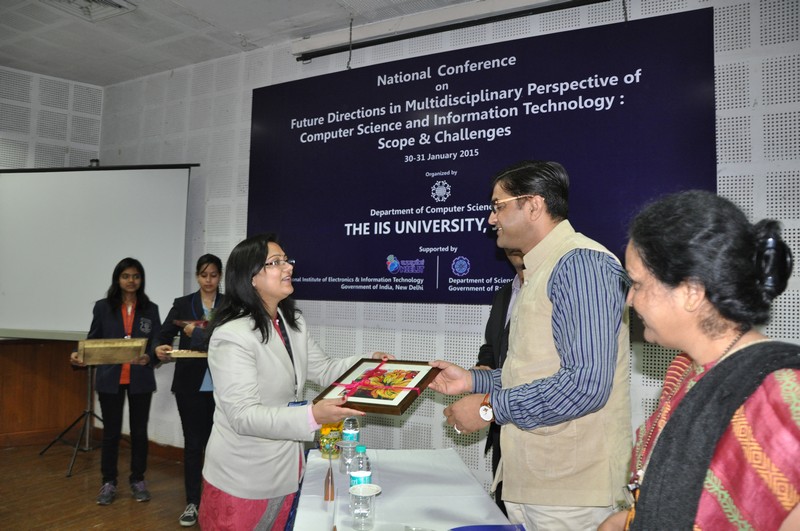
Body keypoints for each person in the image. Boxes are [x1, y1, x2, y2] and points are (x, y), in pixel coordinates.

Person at [429, 160, 632, 530]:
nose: (491, 219)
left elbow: (585, 385)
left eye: (498, 206)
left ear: (534, 205)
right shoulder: (539, 270)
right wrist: (472, 381)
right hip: (534, 483)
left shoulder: (581, 264)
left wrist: (488, 409)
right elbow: (535, 371)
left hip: (572, 494)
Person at [598, 190, 799, 531]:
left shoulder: (785, 397)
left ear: (691, 291)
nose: (630, 300)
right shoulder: (683, 370)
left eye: (637, 284)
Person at [197, 233, 392, 530]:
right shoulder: (232, 336)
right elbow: (243, 416)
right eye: (275, 262)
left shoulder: (292, 323)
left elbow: (324, 369)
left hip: (287, 470)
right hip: (243, 478)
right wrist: (313, 415)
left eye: (286, 260)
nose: (288, 267)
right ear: (250, 277)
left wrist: (368, 365)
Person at [71, 257, 161, 505]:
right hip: (111, 378)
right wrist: (79, 354)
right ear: (117, 279)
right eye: (126, 276)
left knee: (139, 432)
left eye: (136, 276)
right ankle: (108, 482)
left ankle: (138, 479)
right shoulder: (103, 307)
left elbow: (156, 341)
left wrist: (150, 357)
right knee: (110, 433)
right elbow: (93, 339)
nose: (131, 281)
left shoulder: (150, 309)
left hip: (140, 378)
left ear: (141, 280)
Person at [155, 254, 223, 527]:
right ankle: (193, 502)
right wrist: (159, 348)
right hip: (189, 386)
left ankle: (217, 500)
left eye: (213, 275)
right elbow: (162, 336)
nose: (208, 280)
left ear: (220, 277)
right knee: (194, 445)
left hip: (223, 387)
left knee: (221, 446)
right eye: (204, 275)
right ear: (197, 276)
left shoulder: (230, 305)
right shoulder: (183, 304)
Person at [474, 247, 524, 516]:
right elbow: (492, 347)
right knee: (503, 507)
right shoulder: (505, 294)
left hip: (534, 425)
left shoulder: (548, 293)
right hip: (500, 425)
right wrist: (483, 370)